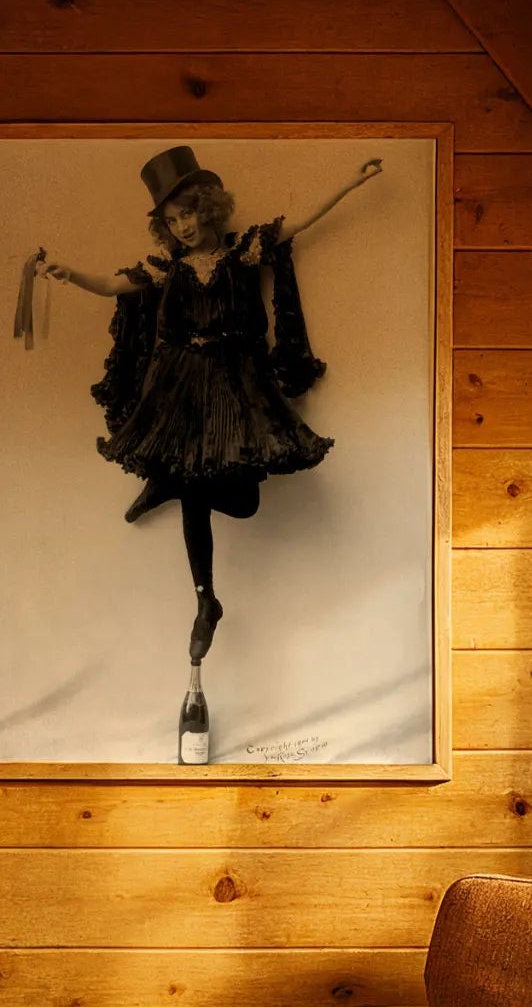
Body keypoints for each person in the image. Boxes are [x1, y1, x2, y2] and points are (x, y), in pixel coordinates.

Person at [36, 144, 382, 663]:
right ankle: (206, 601)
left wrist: (349, 184)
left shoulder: (242, 251)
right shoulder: (163, 269)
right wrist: (71, 275)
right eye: (172, 220)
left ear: (209, 208)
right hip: (179, 390)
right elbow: (111, 286)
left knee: (244, 501)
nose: (182, 227)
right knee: (196, 489)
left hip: (236, 388)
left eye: (189, 214)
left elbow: (300, 223)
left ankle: (167, 484)